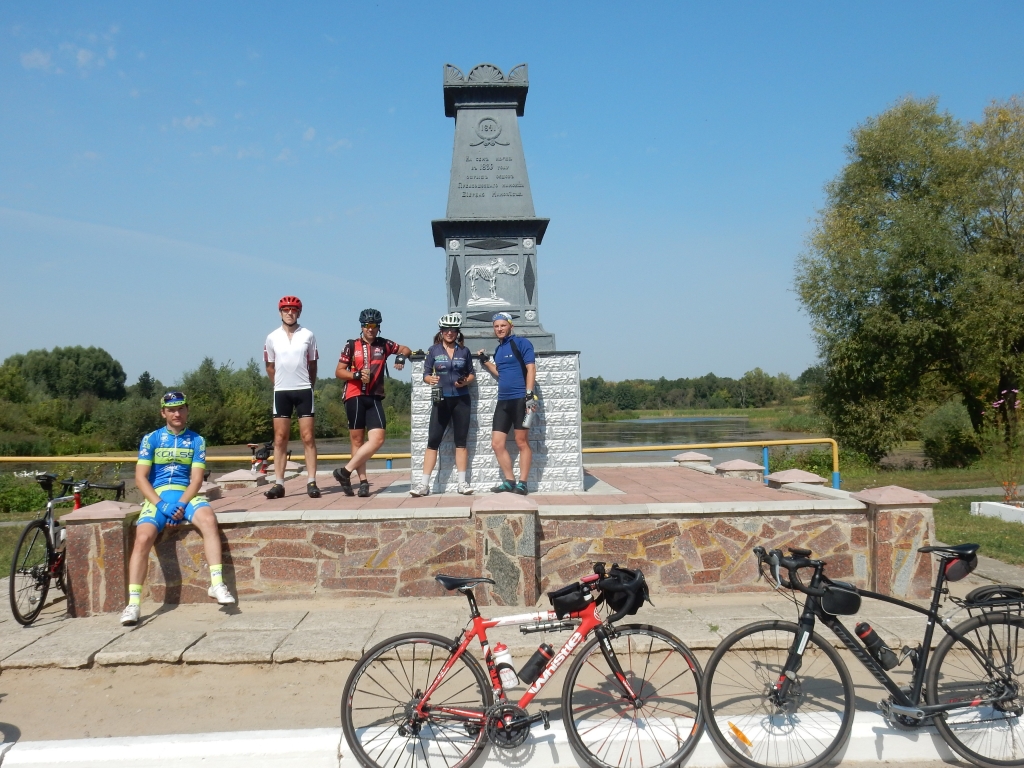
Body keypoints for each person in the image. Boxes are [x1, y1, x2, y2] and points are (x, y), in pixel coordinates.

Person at [121, 391, 234, 626]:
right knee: (142, 538)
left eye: (181, 408)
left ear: (187, 410)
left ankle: (216, 584)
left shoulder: (197, 440)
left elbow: (196, 480)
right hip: (158, 497)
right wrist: (162, 505)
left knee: (209, 519)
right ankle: (133, 604)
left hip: (186, 495)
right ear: (163, 413)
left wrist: (181, 505)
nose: (177, 413)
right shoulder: (151, 439)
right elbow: (140, 479)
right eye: (171, 410)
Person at [333, 309, 413, 497]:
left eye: (374, 326)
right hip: (354, 395)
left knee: (378, 438)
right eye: (367, 325)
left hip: (374, 396)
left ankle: (344, 472)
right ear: (361, 327)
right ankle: (363, 482)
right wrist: (356, 375)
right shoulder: (351, 345)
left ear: (378, 327)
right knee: (357, 441)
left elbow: (405, 349)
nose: (370, 329)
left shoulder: (384, 344)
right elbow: (339, 371)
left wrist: (401, 357)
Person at [411, 313, 476, 497]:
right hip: (441, 399)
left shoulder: (464, 351)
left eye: (453, 330)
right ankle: (424, 485)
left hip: (461, 400)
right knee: (433, 441)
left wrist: (465, 381)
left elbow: (471, 374)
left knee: (461, 442)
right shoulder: (434, 350)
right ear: (441, 331)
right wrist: (429, 379)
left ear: (457, 332)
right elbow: (425, 374)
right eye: (446, 329)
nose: (449, 332)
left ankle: (462, 483)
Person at [263, 296, 320, 499]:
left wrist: (309, 385)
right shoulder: (272, 337)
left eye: (293, 310)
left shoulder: (308, 335)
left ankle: (311, 481)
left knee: (308, 437)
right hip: (281, 392)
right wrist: (279, 383)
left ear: (299, 313)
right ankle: (279, 483)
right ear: (280, 312)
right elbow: (270, 366)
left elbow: (313, 364)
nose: (289, 313)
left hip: (304, 389)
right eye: (286, 310)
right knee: (280, 439)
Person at [476, 312, 538, 495]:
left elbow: (531, 368)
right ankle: (510, 481)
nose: (499, 329)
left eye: (503, 325)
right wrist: (486, 362)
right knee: (497, 443)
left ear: (511, 326)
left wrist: (529, 395)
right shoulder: (499, 349)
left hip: (521, 399)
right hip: (503, 401)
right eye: (496, 326)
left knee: (521, 441)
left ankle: (523, 483)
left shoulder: (522, 343)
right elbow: (500, 372)